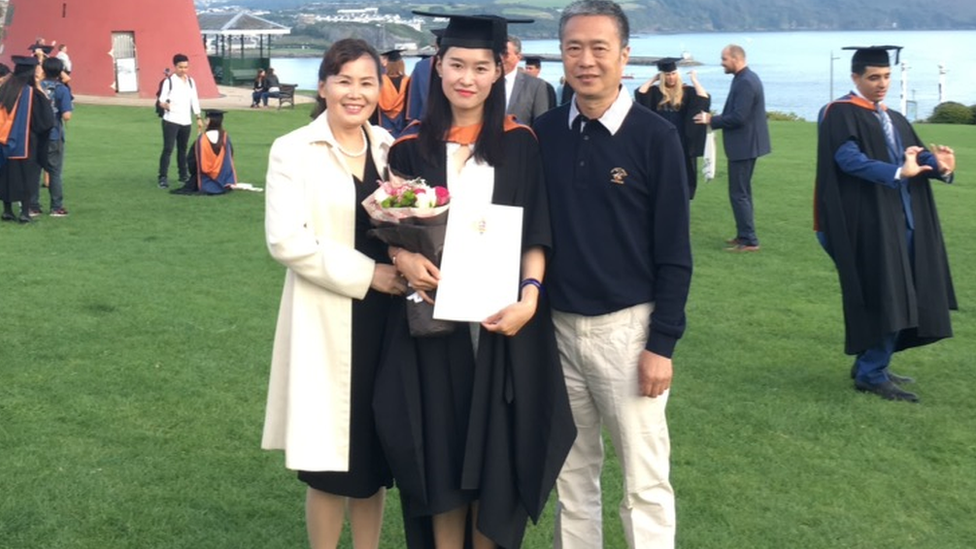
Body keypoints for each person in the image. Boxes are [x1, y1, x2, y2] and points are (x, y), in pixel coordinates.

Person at [376, 11, 575, 549]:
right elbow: (387, 232)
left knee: (496, 455)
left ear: (499, 72)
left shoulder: (521, 144)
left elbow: (537, 232)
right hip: (431, 327)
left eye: (480, 67)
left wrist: (530, 298)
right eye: (456, 64)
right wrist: (400, 254)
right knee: (439, 448)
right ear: (438, 66)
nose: (467, 77)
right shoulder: (408, 148)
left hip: (500, 326)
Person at [532, 1, 692, 547]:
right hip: (556, 330)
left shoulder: (655, 137)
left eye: (600, 48)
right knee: (573, 478)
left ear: (624, 57)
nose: (586, 60)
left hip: (628, 333)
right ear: (561, 55)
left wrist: (662, 343)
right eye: (574, 47)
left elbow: (674, 250)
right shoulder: (545, 131)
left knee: (644, 482)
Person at [261, 38, 406, 549]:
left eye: (367, 82)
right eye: (343, 80)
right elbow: (287, 240)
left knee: (372, 456)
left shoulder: (390, 147)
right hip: (329, 317)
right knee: (328, 462)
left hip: (389, 323)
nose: (355, 92)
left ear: (380, 89)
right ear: (322, 86)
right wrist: (371, 276)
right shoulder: (293, 150)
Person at [814, 45, 957, 403]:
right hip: (860, 222)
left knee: (901, 289)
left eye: (887, 77)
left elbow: (914, 152)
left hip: (901, 219)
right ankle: (871, 372)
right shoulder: (839, 113)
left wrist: (938, 166)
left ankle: (873, 363)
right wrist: (897, 172)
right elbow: (848, 159)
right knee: (883, 291)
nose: (882, 84)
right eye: (874, 77)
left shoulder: (892, 116)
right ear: (856, 78)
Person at [694, 44, 770, 252]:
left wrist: (711, 119)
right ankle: (743, 234)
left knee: (739, 193)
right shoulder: (744, 78)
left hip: (745, 145)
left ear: (736, 59)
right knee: (742, 191)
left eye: (724, 59)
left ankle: (749, 240)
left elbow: (739, 117)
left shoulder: (746, 81)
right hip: (746, 144)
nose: (721, 63)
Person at [635, 58, 710, 199]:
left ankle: (682, 195)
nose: (671, 77)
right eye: (667, 74)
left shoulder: (686, 91)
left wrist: (694, 79)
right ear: (663, 76)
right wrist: (654, 78)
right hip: (660, 137)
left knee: (683, 169)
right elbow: (640, 93)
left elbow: (703, 98)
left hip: (680, 136)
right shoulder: (656, 92)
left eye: (673, 73)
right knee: (661, 167)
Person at [0, 56, 54, 223]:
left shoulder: (4, 89)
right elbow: (46, 121)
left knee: (6, 176)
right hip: (26, 143)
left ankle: (7, 211)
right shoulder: (32, 93)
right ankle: (24, 213)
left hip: (4, 141)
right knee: (27, 177)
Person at [157, 53, 203, 189]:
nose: (183, 70)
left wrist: (198, 117)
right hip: (171, 119)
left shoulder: (190, 81)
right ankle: (163, 177)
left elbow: (194, 99)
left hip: (185, 120)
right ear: (175, 67)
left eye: (186, 67)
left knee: (182, 149)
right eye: (180, 67)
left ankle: (183, 174)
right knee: (168, 148)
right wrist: (164, 104)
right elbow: (162, 99)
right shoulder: (169, 81)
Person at [36, 56, 73, 217]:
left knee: (35, 170)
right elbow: (66, 116)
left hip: (35, 134)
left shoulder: (35, 87)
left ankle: (32, 206)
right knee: (55, 171)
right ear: (60, 71)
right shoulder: (62, 89)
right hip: (53, 134)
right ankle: (56, 207)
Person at [172, 109, 238, 195]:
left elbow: (192, 160)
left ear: (209, 121)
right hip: (222, 178)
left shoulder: (202, 139)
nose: (204, 121)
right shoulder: (225, 137)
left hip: (204, 178)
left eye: (206, 119)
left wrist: (194, 174)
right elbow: (229, 157)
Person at [502, 35, 550, 125]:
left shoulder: (535, 86)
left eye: (505, 54)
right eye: (498, 53)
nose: (500, 58)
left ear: (518, 57)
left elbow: (541, 123)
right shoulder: (486, 82)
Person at [405, 28, 444, 123]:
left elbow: (414, 98)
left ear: (436, 46)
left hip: (425, 122)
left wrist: (412, 120)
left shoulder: (421, 66)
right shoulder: (458, 68)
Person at [374, 49, 410, 136]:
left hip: (385, 122)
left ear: (388, 65)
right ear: (402, 64)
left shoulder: (380, 81)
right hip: (403, 121)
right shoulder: (408, 81)